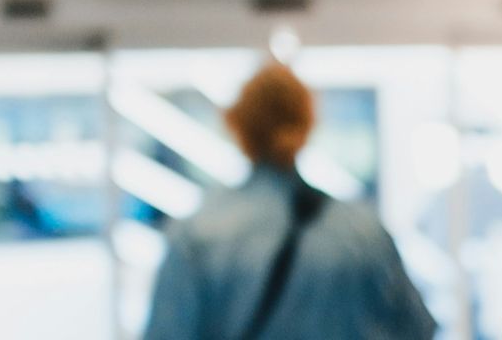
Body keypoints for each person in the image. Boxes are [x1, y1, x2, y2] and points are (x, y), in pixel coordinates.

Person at [143, 61, 436, 340]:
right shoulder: (363, 235)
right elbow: (416, 329)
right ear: (307, 123)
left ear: (238, 127)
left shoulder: (197, 237)